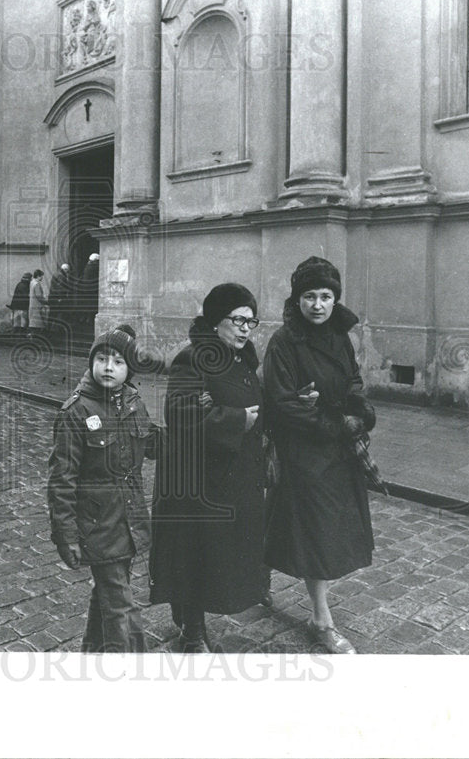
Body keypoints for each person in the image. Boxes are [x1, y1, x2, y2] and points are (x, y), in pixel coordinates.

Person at [149, 283, 272, 652]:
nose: (245, 329)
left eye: (251, 322)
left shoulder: (242, 359)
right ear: (216, 321)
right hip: (196, 479)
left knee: (217, 553)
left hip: (229, 475)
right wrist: (237, 420)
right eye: (237, 320)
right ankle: (191, 630)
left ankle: (197, 616)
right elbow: (180, 412)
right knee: (194, 553)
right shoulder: (194, 357)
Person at [262, 256, 376, 655]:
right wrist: (333, 423)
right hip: (303, 450)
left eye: (326, 296)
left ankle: (265, 580)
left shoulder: (340, 335)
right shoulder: (284, 342)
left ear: (335, 298)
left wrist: (359, 411)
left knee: (322, 529)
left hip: (338, 450)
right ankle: (321, 619)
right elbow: (282, 402)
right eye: (309, 296)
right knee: (316, 533)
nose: (318, 305)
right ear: (298, 299)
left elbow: (353, 378)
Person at [47, 325, 160, 652]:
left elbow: (153, 443)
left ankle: (93, 653)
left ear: (129, 369)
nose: (108, 366)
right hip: (98, 527)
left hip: (129, 521)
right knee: (122, 607)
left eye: (118, 361)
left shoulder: (134, 403)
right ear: (91, 362)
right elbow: (61, 479)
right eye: (102, 358)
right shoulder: (76, 412)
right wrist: (66, 535)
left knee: (110, 594)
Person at [29, 269, 49, 337]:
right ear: (38, 276)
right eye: (41, 276)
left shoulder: (32, 282)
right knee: (37, 322)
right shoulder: (37, 284)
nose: (42, 278)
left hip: (32, 304)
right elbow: (39, 296)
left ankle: (32, 335)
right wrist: (46, 302)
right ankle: (35, 337)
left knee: (33, 322)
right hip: (37, 305)